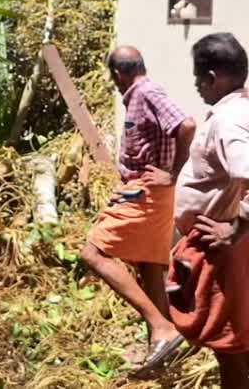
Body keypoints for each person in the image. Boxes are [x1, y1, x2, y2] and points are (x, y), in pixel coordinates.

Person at [81, 46, 196, 376]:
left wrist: (172, 172)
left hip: (143, 191)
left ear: (118, 74)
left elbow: (186, 125)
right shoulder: (141, 94)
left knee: (93, 252)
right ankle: (162, 355)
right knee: (149, 271)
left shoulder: (146, 92)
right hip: (151, 193)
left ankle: (162, 327)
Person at [168, 32, 249, 389]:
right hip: (224, 245)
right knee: (238, 339)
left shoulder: (229, 121)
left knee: (228, 344)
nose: (198, 87)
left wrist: (235, 229)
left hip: (223, 249)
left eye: (199, 79)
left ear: (212, 77)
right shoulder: (238, 111)